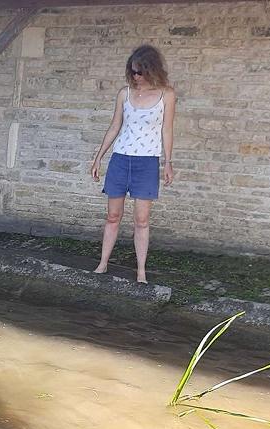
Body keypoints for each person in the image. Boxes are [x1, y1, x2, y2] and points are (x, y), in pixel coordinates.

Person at [90, 45, 176, 284]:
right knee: (113, 216)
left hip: (147, 162)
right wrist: (99, 157)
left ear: (151, 69)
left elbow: (167, 130)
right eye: (133, 72)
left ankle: (141, 272)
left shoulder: (166, 94)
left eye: (140, 72)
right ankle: (103, 263)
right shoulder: (124, 93)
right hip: (121, 159)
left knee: (141, 220)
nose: (136, 76)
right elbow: (115, 126)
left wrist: (168, 162)